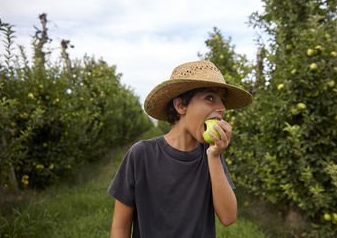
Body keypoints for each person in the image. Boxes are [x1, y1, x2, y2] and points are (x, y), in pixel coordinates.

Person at [108, 60, 253, 238]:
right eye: (210, 97)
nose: (222, 108)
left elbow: (228, 217)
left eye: (222, 100)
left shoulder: (210, 155)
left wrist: (214, 157)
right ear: (181, 106)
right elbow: (120, 226)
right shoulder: (141, 155)